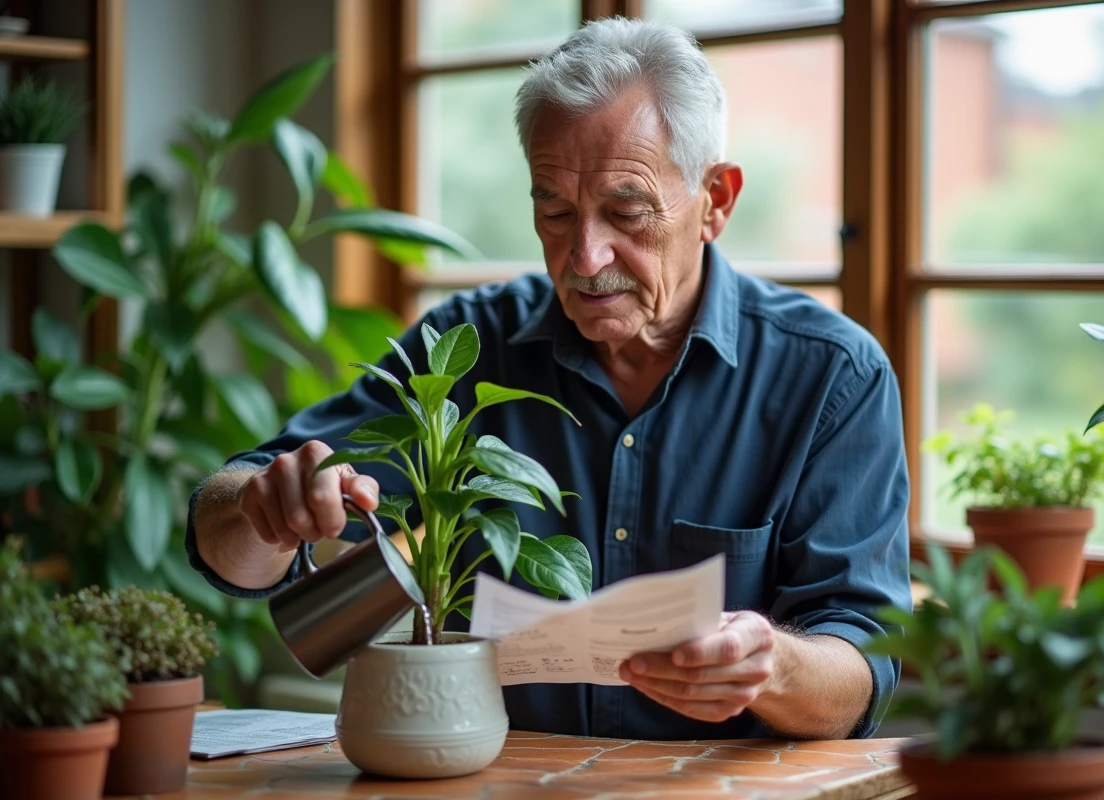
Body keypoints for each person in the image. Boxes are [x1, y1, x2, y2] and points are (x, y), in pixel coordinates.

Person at [186, 16, 911, 742]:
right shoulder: (466, 351)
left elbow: (862, 667)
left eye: (626, 212)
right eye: (555, 210)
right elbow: (230, 539)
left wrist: (772, 665)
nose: (586, 257)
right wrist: (263, 508)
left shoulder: (831, 377)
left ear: (716, 200)